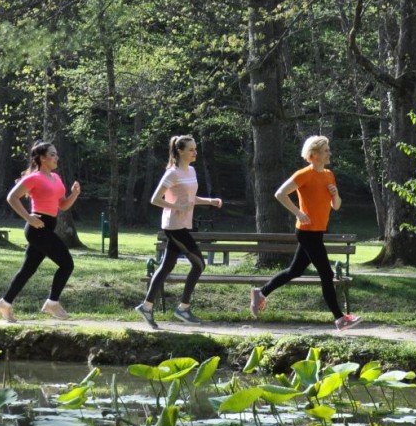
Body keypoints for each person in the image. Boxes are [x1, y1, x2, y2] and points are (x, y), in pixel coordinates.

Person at [249, 135, 362, 331]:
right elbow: (280, 194)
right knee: (326, 273)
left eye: (328, 149)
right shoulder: (304, 174)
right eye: (326, 150)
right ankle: (340, 319)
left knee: (295, 270)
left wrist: (335, 195)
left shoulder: (329, 175)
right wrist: (298, 213)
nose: (329, 153)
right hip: (307, 232)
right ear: (314, 155)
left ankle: (261, 293)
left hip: (317, 231)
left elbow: (335, 206)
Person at [135, 135, 223, 329]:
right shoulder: (172, 173)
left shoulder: (191, 170)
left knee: (166, 266)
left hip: (183, 224)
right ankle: (183, 308)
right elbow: (155, 199)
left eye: (195, 149)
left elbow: (190, 197)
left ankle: (147, 306)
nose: (195, 152)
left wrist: (209, 201)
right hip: (174, 226)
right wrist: (175, 206)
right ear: (180, 151)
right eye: (191, 149)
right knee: (199, 264)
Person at [0, 141, 81, 323]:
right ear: (42, 158)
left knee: (28, 269)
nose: (57, 157)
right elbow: (12, 197)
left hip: (48, 226)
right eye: (53, 154)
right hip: (36, 228)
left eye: (56, 154)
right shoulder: (34, 177)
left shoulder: (56, 178)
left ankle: (5, 303)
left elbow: (62, 205)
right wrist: (29, 218)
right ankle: (52, 303)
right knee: (67, 264)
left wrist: (74, 194)